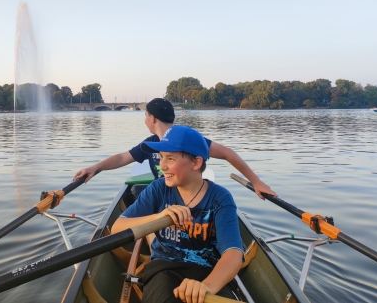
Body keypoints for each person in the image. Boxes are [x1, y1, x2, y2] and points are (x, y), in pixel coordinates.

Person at [112, 125, 243, 303]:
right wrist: (159, 217)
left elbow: (233, 253)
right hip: (163, 269)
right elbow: (117, 228)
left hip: (209, 271)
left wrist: (207, 286)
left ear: (196, 163)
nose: (162, 166)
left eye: (170, 158)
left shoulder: (220, 198)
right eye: (161, 158)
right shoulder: (158, 189)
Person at [73, 98, 276, 199]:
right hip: (163, 196)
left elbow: (228, 153)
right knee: (140, 192)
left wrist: (256, 182)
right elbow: (121, 158)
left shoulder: (188, 139)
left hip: (189, 195)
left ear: (151, 118)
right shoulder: (151, 143)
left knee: (139, 194)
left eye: (145, 115)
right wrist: (96, 167)